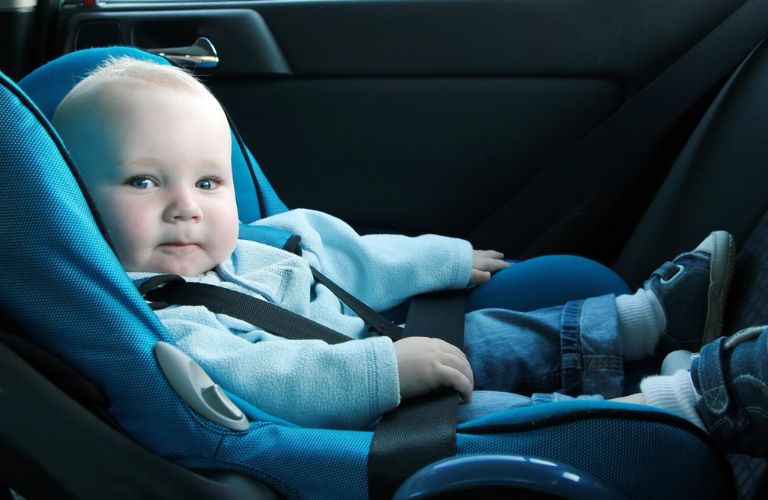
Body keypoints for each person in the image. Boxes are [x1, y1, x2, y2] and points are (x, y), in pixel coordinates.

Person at [50, 56, 766, 459]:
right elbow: (267, 379)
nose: (186, 206)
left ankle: (643, 321)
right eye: (144, 181)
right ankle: (681, 408)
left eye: (208, 182)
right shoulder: (157, 316)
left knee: (502, 340)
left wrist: (449, 260)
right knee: (505, 413)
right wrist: (385, 370)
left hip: (383, 350)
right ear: (75, 203)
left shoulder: (239, 254)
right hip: (364, 423)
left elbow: (352, 261)